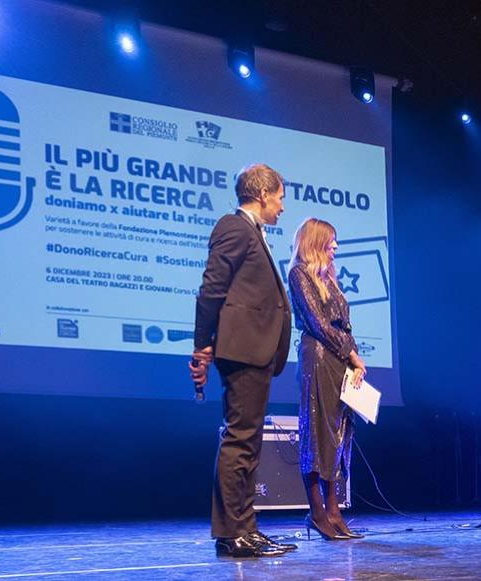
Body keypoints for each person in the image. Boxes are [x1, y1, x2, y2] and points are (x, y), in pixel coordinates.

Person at [189, 163, 295, 558]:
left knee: (248, 443)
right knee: (240, 441)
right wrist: (202, 345)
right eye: (281, 198)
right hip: (243, 349)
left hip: (257, 351)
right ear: (264, 194)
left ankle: (246, 529)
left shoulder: (255, 232)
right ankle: (233, 533)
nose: (283, 207)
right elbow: (211, 290)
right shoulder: (233, 227)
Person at [287, 218, 367, 541]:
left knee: (337, 436)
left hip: (339, 361)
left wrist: (355, 359)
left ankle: (334, 511)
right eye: (331, 241)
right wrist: (352, 354)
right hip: (318, 358)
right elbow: (319, 324)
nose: (335, 247)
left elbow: (344, 326)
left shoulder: (330, 279)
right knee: (317, 435)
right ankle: (317, 512)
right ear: (316, 242)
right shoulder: (299, 274)